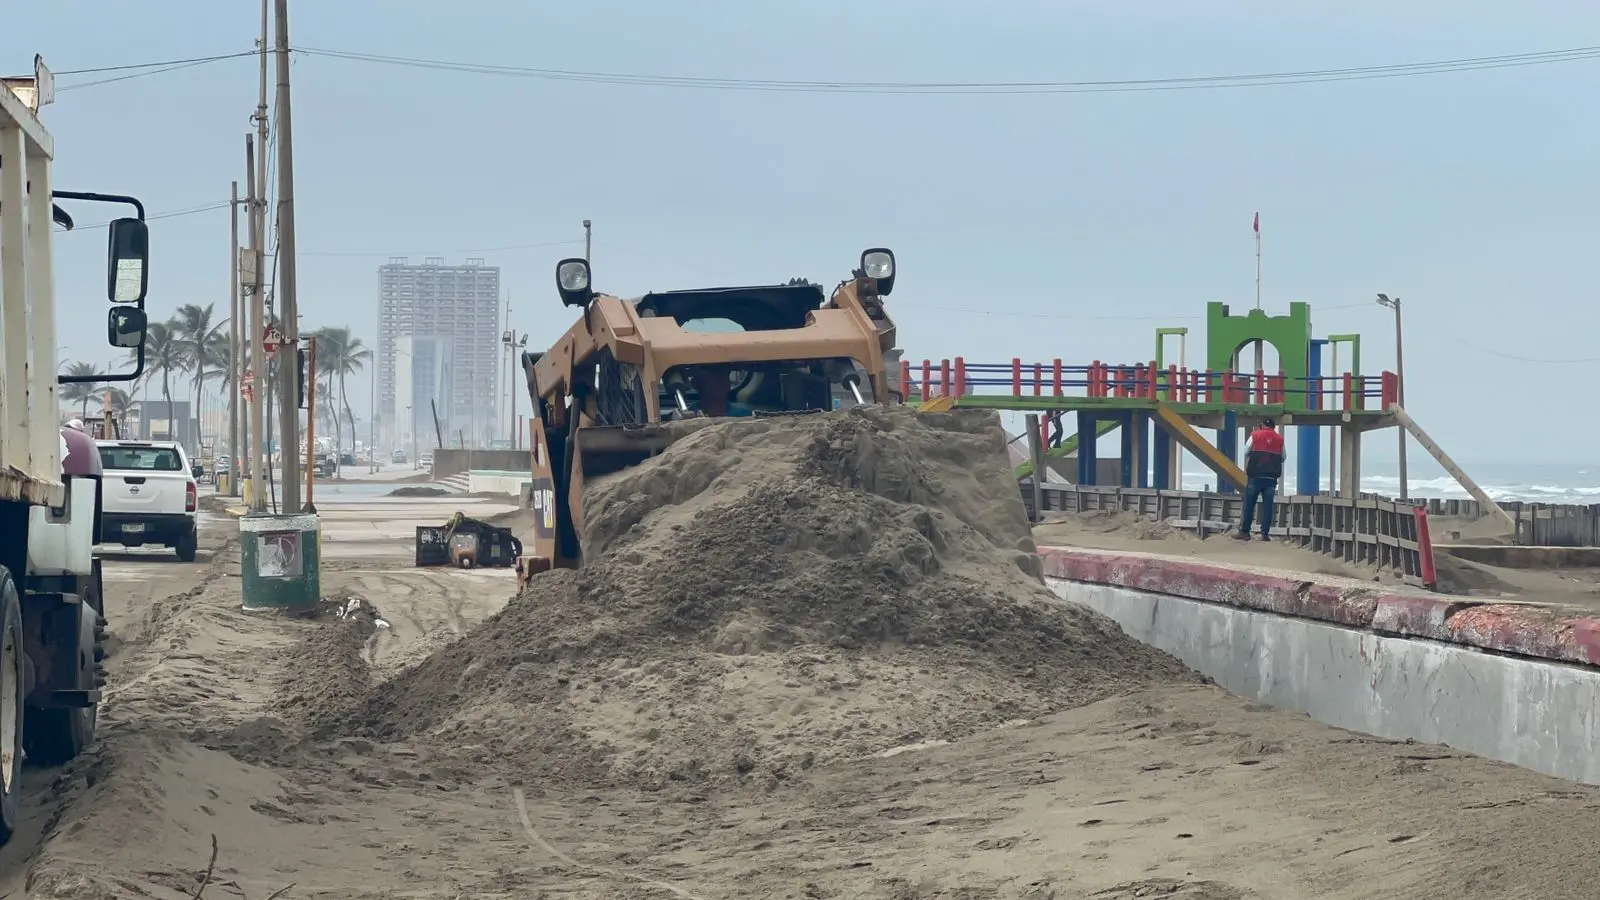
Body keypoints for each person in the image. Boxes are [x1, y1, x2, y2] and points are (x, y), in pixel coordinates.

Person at [1235, 418, 1285, 542]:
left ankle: (1245, 532)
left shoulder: (1255, 435)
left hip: (1255, 475)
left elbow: (1246, 451)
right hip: (1271, 477)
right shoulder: (1280, 439)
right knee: (1268, 506)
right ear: (1274, 427)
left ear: (1262, 425)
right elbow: (1283, 457)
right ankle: (1264, 534)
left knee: (1249, 504)